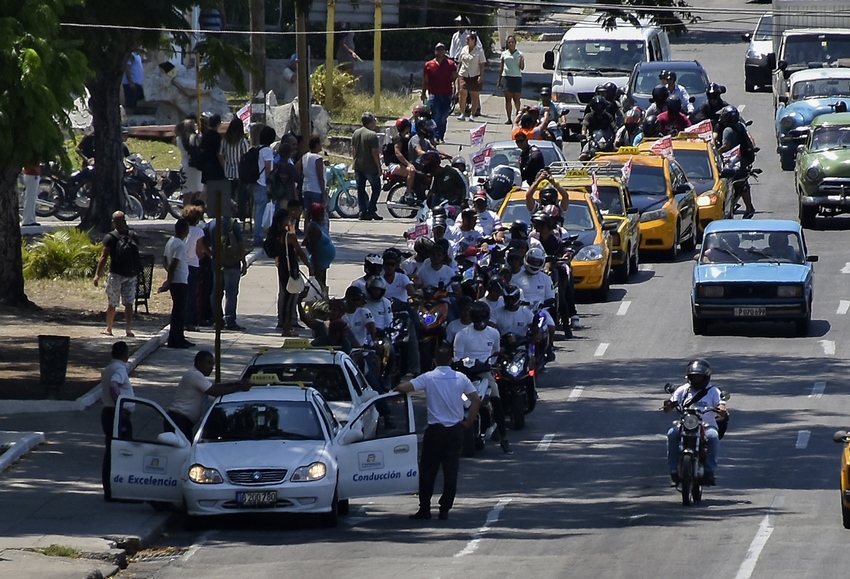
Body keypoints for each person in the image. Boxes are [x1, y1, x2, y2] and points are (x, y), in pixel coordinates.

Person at [395, 343, 481, 520]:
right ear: (451, 360)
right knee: (451, 472)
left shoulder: (429, 377)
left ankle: (425, 508)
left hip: (435, 431)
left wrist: (397, 391)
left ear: (434, 361)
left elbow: (404, 388)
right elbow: (476, 400)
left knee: (428, 471)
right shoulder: (460, 378)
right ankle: (445, 509)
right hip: (455, 430)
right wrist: (468, 422)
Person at [454, 301, 511, 454]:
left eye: (483, 316)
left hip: (484, 372)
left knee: (496, 397)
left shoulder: (493, 333)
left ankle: (503, 437)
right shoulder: (462, 335)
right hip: (465, 373)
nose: (480, 320)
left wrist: (488, 365)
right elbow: (457, 358)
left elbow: (495, 352)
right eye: (477, 316)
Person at [663, 359, 728, 486]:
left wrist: (721, 409)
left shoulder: (713, 391)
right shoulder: (683, 390)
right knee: (672, 433)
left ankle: (710, 471)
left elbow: (722, 406)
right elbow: (668, 407)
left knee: (713, 437)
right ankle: (673, 470)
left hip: (707, 425)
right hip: (685, 424)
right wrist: (669, 405)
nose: (696, 379)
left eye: (699, 377)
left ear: (705, 377)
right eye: (694, 377)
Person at [166, 350, 252, 440]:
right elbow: (215, 391)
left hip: (183, 422)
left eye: (213, 364)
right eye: (208, 363)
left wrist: (236, 383)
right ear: (199, 363)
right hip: (178, 421)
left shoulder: (196, 375)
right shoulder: (194, 375)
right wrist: (239, 387)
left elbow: (215, 386)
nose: (211, 367)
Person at [264, 208, 312, 336]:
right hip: (291, 267)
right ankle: (287, 327)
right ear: (283, 220)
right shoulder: (288, 236)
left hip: (282, 267)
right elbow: (300, 252)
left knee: (286, 296)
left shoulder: (274, 234)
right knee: (290, 298)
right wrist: (309, 266)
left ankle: (285, 324)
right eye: (288, 218)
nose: (290, 220)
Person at [94, 211, 141, 338]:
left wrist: (97, 275)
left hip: (116, 273)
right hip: (131, 274)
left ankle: (109, 328)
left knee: (112, 303)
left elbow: (104, 257)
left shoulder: (110, 237)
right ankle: (128, 329)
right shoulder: (133, 235)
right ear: (124, 221)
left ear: (113, 222)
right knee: (129, 303)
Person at [99, 341, 134, 501]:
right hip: (116, 414)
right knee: (122, 451)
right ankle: (119, 490)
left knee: (112, 451)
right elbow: (114, 386)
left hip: (108, 412)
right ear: (124, 353)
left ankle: (111, 490)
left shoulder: (109, 367)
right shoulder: (119, 368)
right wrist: (120, 406)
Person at [203, 212, 248, 331]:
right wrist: (243, 261)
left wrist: (211, 254)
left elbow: (202, 242)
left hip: (217, 264)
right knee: (231, 293)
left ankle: (217, 319)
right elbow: (240, 244)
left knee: (216, 293)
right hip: (232, 263)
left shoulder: (211, 224)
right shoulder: (234, 224)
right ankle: (230, 320)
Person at [716, 105, 756, 219]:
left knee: (728, 180)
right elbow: (751, 140)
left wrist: (715, 152)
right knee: (743, 181)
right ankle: (748, 207)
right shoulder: (740, 126)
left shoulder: (727, 130)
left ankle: (734, 205)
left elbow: (726, 146)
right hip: (745, 158)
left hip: (735, 160)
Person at [161, 218, 193, 349]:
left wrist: (168, 272)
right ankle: (175, 340)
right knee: (179, 312)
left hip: (178, 279)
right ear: (184, 229)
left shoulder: (171, 241)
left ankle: (180, 337)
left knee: (180, 311)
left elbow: (164, 259)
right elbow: (174, 263)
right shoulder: (180, 244)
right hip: (179, 280)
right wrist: (169, 280)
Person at [422, 43, 457, 142]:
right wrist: (423, 93)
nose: (440, 52)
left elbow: (455, 78)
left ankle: (441, 135)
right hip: (434, 94)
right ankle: (435, 136)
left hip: (447, 94)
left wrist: (457, 90)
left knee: (444, 117)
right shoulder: (429, 65)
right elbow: (425, 80)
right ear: (435, 51)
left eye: (442, 49)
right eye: (438, 49)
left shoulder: (450, 64)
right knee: (436, 115)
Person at [352, 112, 383, 221]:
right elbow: (375, 154)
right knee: (377, 188)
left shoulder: (356, 133)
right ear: (371, 122)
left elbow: (354, 151)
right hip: (369, 167)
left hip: (358, 166)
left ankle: (362, 211)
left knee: (360, 190)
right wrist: (379, 168)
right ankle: (371, 210)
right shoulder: (372, 135)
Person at [182, 204, 207, 332]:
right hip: (193, 264)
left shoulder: (183, 229)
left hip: (182, 264)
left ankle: (181, 320)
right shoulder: (199, 232)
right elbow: (199, 251)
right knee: (191, 295)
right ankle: (189, 321)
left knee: (182, 294)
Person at [219, 116, 249, 215]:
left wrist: (225, 166)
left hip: (228, 171)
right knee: (241, 195)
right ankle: (240, 213)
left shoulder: (225, 140)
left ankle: (229, 214)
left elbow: (221, 154)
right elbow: (245, 156)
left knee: (229, 195)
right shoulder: (242, 141)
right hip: (240, 171)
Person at [302, 203, 336, 291]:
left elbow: (305, 242)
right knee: (318, 289)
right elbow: (313, 249)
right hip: (318, 265)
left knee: (322, 286)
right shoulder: (313, 227)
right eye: (322, 214)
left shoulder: (318, 226)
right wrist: (315, 267)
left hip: (323, 264)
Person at [253, 125, 276, 246]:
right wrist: (270, 184)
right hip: (263, 183)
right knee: (260, 211)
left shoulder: (257, 149)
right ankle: (258, 237)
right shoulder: (267, 151)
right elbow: (268, 169)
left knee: (257, 210)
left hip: (255, 183)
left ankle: (257, 234)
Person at [456, 32, 486, 123]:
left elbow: (482, 64)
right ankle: (462, 113)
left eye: (468, 39)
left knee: (474, 95)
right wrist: (457, 73)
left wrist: (481, 75)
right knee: (462, 94)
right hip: (464, 74)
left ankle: (472, 114)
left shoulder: (479, 51)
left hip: (474, 75)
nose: (467, 41)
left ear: (474, 40)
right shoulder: (464, 49)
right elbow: (460, 62)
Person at [385, 118, 417, 200]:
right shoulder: (398, 139)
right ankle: (408, 194)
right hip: (394, 165)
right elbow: (398, 153)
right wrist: (409, 164)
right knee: (411, 171)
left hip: (402, 163)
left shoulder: (406, 138)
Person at [497, 35, 525, 124]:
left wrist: (521, 61)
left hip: (516, 77)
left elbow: (522, 68)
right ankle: (509, 118)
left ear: (515, 43)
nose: (511, 44)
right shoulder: (504, 54)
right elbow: (501, 68)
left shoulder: (519, 54)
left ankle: (518, 114)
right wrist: (499, 80)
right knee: (507, 99)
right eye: (509, 42)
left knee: (516, 99)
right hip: (506, 77)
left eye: (512, 42)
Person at [299, 135, 326, 226]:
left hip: (306, 187)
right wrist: (324, 192)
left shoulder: (305, 156)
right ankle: (316, 232)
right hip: (316, 189)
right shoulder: (317, 158)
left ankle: (307, 233)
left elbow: (297, 167)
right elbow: (320, 177)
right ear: (317, 144)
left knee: (307, 214)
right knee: (317, 214)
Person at [175, 119, 203, 204]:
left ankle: (186, 211)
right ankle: (198, 209)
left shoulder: (178, 139)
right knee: (199, 190)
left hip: (185, 165)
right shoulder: (195, 138)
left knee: (187, 192)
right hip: (195, 165)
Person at [200, 113, 226, 194]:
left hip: (206, 164)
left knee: (206, 188)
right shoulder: (217, 136)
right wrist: (224, 166)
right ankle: (216, 205)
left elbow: (201, 149)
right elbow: (219, 154)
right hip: (215, 166)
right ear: (218, 124)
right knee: (217, 188)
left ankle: (199, 204)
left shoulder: (205, 135)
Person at [122, 51, 144, 116]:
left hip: (137, 83)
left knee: (133, 104)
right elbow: (127, 68)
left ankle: (130, 118)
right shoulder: (130, 55)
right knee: (129, 104)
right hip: (131, 83)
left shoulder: (137, 55)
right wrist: (131, 82)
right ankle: (127, 119)